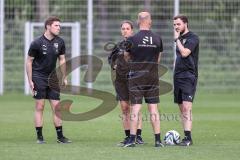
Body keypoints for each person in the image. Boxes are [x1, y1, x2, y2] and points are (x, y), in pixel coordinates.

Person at [26, 16, 71, 144]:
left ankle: (60, 137)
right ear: (48, 26)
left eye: (59, 26)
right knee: (40, 106)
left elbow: (62, 59)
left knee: (57, 107)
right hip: (38, 77)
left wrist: (64, 76)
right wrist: (30, 80)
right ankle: (40, 137)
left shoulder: (60, 42)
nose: (59, 28)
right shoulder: (36, 43)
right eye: (56, 25)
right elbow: (29, 61)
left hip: (53, 78)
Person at [122, 12, 164, 147]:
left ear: (138, 22)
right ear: (150, 21)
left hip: (136, 77)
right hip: (152, 77)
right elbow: (158, 59)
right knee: (153, 109)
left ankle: (132, 140)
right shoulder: (158, 39)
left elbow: (126, 57)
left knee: (135, 108)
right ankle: (158, 141)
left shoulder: (132, 39)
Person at [108, 20, 144, 146]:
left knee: (135, 108)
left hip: (135, 79)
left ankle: (138, 136)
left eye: (127, 28)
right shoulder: (118, 46)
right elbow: (111, 60)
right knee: (124, 108)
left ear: (132, 30)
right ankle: (128, 136)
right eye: (123, 28)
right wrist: (114, 66)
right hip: (121, 80)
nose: (125, 30)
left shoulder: (137, 45)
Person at [173, 14, 199, 146]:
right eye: (174, 25)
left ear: (185, 24)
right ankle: (185, 137)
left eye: (178, 24)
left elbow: (184, 53)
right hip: (177, 76)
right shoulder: (180, 38)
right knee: (182, 108)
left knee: (187, 107)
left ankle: (188, 138)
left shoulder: (193, 38)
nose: (176, 27)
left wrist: (177, 40)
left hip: (189, 76)